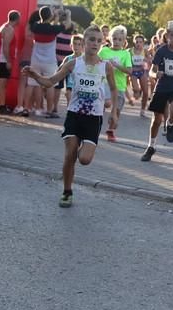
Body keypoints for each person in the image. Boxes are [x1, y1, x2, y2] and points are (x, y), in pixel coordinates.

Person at [23, 25, 116, 207]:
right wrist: (34, 73)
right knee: (70, 155)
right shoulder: (73, 63)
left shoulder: (106, 66)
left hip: (93, 118)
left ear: (102, 43)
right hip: (74, 115)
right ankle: (67, 191)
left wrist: (113, 112)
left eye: (98, 41)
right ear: (84, 42)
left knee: (84, 159)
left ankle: (86, 146)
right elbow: (50, 81)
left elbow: (113, 88)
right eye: (91, 40)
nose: (95, 44)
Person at [140, 20, 173, 161]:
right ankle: (151, 146)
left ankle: (170, 125)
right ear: (167, 36)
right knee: (156, 119)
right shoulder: (161, 51)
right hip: (163, 86)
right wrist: (154, 75)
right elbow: (152, 71)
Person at [26, 6, 71, 117]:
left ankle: (26, 108)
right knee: (50, 85)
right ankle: (49, 111)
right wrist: (68, 15)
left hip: (35, 60)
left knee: (31, 84)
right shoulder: (53, 29)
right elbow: (67, 25)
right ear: (50, 16)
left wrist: (51, 15)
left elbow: (32, 20)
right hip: (49, 62)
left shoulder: (35, 26)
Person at [98, 25, 132, 142]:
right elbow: (96, 63)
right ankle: (97, 120)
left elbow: (129, 71)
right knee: (107, 103)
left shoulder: (125, 54)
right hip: (105, 83)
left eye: (120, 39)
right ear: (110, 38)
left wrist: (117, 66)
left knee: (116, 111)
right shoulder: (103, 51)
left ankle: (111, 131)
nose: (116, 41)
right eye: (114, 38)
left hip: (120, 86)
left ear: (124, 41)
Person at [0, 10, 20, 114]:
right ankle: (2, 106)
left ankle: (2, 105)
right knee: (2, 84)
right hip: (3, 60)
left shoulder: (5, 27)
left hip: (2, 59)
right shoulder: (9, 29)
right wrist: (9, 61)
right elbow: (5, 47)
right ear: (17, 19)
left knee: (2, 84)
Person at [14, 11, 39, 116]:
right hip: (36, 59)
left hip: (25, 57)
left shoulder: (29, 27)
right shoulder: (40, 29)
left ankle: (20, 106)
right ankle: (29, 106)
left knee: (22, 83)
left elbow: (26, 37)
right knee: (33, 84)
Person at [130, 34, 150, 118]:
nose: (138, 44)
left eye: (140, 42)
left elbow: (150, 61)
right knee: (136, 91)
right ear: (134, 43)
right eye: (137, 42)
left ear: (143, 43)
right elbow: (126, 62)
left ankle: (142, 110)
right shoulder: (130, 51)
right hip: (133, 72)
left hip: (142, 71)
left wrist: (146, 61)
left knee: (146, 92)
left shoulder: (145, 51)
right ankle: (136, 92)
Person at [62, 34, 84, 105]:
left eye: (79, 44)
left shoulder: (85, 59)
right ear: (71, 45)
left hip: (81, 86)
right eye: (74, 44)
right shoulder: (68, 58)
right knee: (70, 103)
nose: (76, 46)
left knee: (79, 105)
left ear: (82, 46)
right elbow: (59, 70)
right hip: (70, 85)